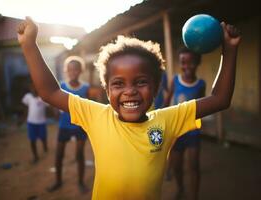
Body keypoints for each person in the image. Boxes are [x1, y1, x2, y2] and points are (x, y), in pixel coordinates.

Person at [17, 17, 241, 200]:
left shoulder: (169, 119)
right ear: (107, 89)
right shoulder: (96, 115)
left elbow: (220, 99)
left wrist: (229, 51)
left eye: (141, 82)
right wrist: (29, 46)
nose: (129, 91)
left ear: (155, 86)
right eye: (118, 84)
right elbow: (50, 92)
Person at [165, 47, 206, 200]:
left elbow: (201, 106)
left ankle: (194, 196)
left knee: (194, 166)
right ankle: (181, 189)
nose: (187, 66)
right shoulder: (175, 81)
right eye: (183, 62)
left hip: (193, 131)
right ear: (180, 63)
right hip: (176, 130)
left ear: (198, 63)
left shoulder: (201, 84)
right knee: (177, 166)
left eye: (191, 62)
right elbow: (168, 101)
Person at [47, 56, 90, 193]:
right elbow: (54, 101)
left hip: (80, 126)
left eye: (76, 70)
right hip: (64, 125)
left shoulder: (86, 88)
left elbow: (89, 107)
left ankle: (81, 182)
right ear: (66, 71)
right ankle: (58, 181)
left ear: (80, 71)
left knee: (79, 155)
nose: (73, 72)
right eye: (70, 70)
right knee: (59, 155)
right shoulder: (62, 86)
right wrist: (55, 110)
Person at [22, 82, 48, 163]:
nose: (34, 89)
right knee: (32, 140)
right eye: (32, 88)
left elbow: (50, 106)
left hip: (41, 122)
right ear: (30, 89)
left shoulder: (43, 97)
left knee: (43, 137)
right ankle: (35, 156)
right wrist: (24, 116)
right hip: (31, 123)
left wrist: (56, 114)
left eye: (36, 87)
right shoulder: (28, 97)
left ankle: (45, 147)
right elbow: (25, 106)